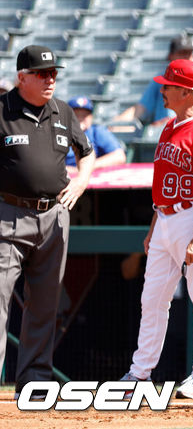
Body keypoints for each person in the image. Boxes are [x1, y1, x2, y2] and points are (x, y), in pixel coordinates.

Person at [119, 59, 193, 400]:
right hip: (166, 218)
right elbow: (161, 185)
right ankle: (140, 373)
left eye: (168, 85)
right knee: (152, 300)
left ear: (187, 91)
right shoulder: (168, 127)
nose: (162, 90)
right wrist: (155, 227)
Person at [0, 45, 95, 398]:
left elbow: (86, 152)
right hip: (7, 214)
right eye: (42, 73)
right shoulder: (2, 110)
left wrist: (82, 182)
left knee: (45, 302)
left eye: (54, 72)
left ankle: (35, 379)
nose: (50, 79)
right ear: (21, 77)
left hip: (53, 215)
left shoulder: (63, 110)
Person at [115, 36, 193, 127]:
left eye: (188, 53)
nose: (186, 57)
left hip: (188, 130)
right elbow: (140, 108)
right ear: (171, 56)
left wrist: (173, 122)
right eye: (181, 53)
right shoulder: (162, 79)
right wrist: (117, 123)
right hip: (162, 131)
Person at [66, 96, 126, 170]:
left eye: (84, 115)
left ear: (91, 117)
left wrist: (84, 168)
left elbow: (119, 156)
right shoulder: (58, 132)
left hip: (92, 176)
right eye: (76, 115)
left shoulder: (97, 132)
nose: (80, 119)